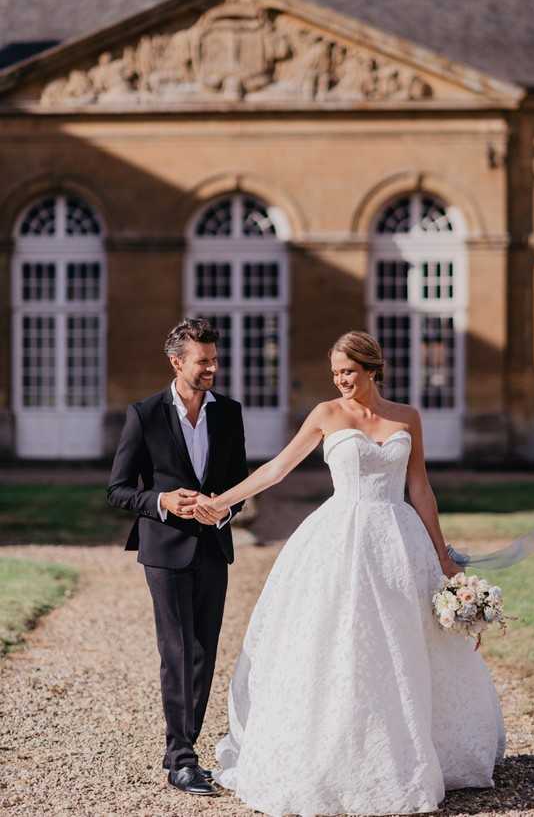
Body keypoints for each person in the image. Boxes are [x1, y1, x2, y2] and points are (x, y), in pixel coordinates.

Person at [194, 330, 506, 816]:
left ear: (372, 369)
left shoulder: (407, 417)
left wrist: (443, 556)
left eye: (349, 372)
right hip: (340, 538)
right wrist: (222, 502)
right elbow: (277, 468)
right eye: (336, 372)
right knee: (344, 641)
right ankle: (338, 754)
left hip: (400, 540)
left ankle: (418, 750)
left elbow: (420, 488)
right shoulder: (325, 414)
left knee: (405, 642)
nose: (341, 380)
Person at [106, 318, 247, 796]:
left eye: (214, 359)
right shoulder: (144, 414)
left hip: (213, 545)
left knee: (204, 650)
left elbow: (239, 486)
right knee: (177, 649)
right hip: (164, 549)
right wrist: (163, 503)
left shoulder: (229, 413)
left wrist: (223, 509)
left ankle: (184, 748)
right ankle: (181, 758)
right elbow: (119, 490)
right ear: (177, 362)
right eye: (203, 360)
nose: (212, 367)